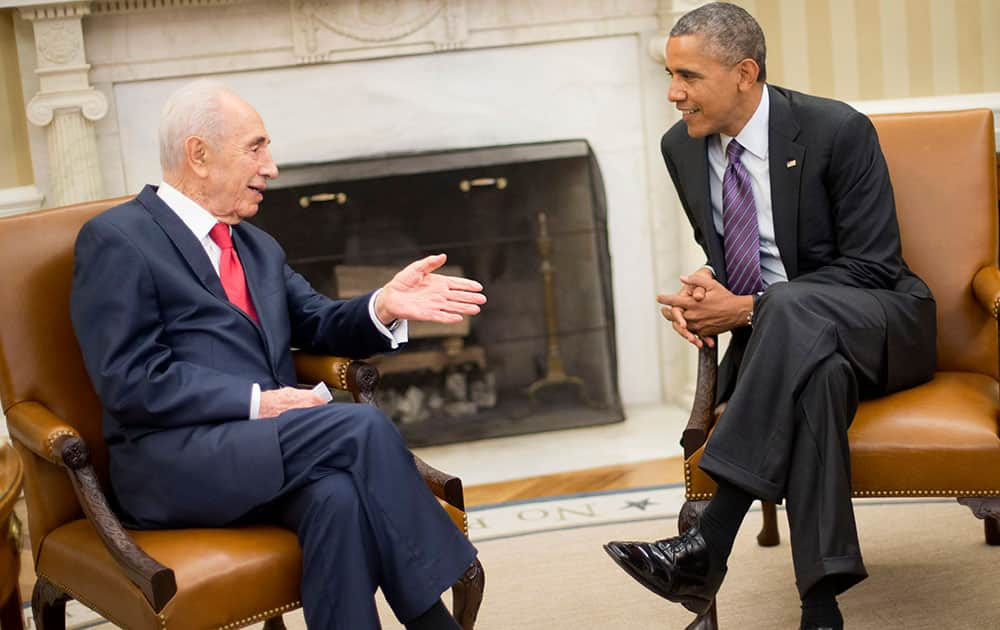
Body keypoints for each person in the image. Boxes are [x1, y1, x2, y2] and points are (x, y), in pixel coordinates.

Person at [70, 79, 487, 630]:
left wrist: (384, 306)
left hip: (263, 456)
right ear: (199, 154)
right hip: (172, 463)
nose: (271, 167)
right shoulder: (118, 239)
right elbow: (128, 379)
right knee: (360, 429)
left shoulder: (256, 246)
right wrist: (256, 403)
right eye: (256, 147)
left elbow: (316, 320)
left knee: (338, 499)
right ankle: (434, 620)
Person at [603, 4, 936, 629]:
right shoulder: (683, 147)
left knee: (786, 305)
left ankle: (709, 540)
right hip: (797, 348)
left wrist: (753, 306)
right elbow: (728, 249)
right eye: (668, 76)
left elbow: (873, 264)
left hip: (884, 322)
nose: (673, 93)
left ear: (744, 73)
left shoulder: (836, 129)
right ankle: (820, 607)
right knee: (821, 381)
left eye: (688, 77)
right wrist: (709, 290)